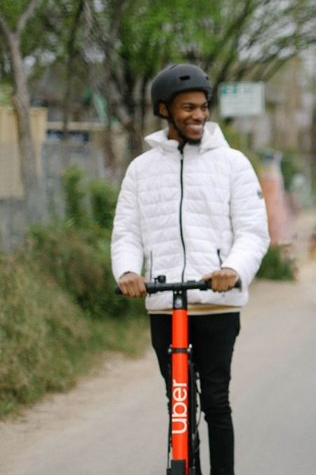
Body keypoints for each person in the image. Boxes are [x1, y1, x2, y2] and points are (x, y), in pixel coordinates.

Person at [111, 63, 269, 475]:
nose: (198, 115)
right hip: (165, 303)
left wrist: (232, 269)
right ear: (164, 110)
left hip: (216, 304)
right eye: (187, 107)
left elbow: (253, 232)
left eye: (202, 107)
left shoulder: (233, 164)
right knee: (178, 400)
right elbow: (127, 231)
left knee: (216, 400)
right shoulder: (141, 170)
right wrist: (128, 271)